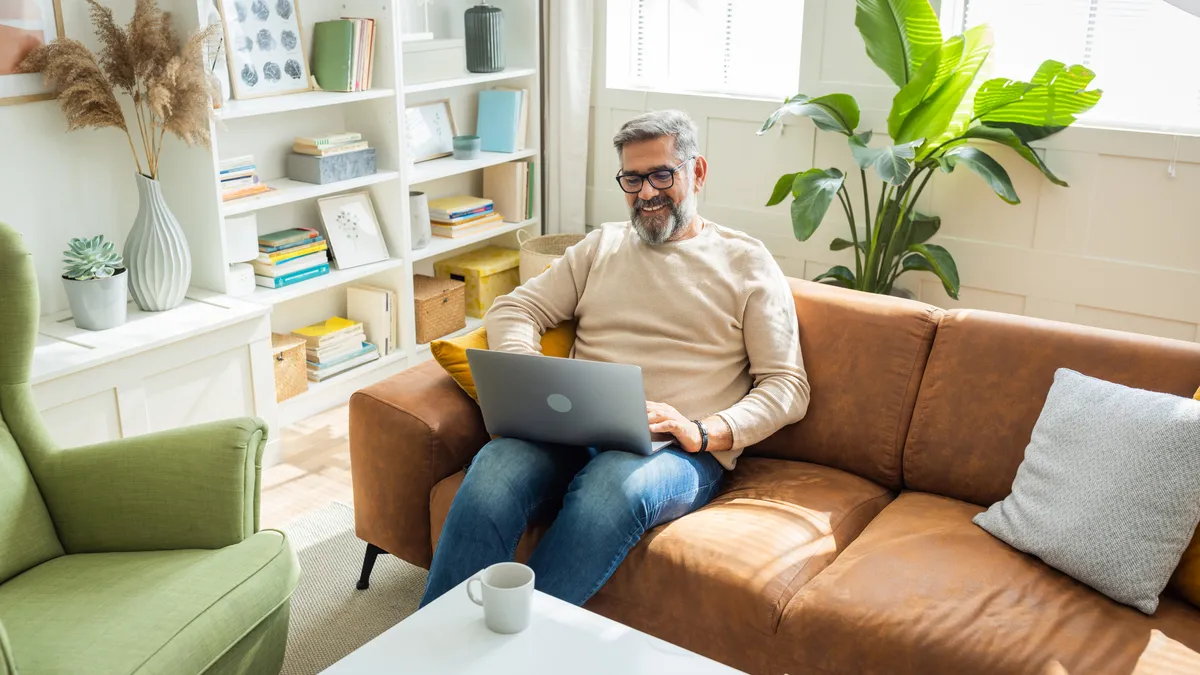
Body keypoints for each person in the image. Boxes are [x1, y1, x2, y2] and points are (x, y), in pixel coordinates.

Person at [420, 109, 810, 607]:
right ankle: (437, 639)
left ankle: (515, 649)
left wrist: (706, 429)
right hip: (575, 432)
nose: (646, 192)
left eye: (661, 175)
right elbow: (516, 307)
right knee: (494, 466)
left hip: (679, 451)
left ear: (698, 172)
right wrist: (529, 370)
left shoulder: (747, 262)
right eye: (632, 178)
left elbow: (787, 385)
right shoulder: (600, 245)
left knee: (610, 489)